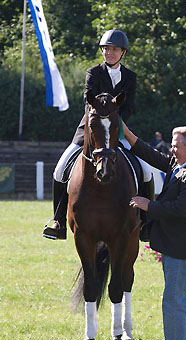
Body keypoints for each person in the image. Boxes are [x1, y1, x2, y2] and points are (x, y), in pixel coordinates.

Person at [43, 29, 153, 240]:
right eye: (106, 49)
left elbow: (129, 107)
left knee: (146, 171)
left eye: (114, 49)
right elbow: (88, 100)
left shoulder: (130, 77)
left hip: (118, 130)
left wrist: (116, 123)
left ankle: (146, 223)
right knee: (59, 170)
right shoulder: (93, 72)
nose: (110, 53)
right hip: (90, 129)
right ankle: (58, 221)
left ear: (123, 52)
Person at [124, 123, 186, 340]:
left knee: (173, 300)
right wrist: (128, 134)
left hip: (181, 247)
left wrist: (147, 205)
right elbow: (153, 156)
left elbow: (179, 210)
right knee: (179, 296)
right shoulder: (182, 164)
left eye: (176, 146)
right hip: (177, 244)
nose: (172, 150)